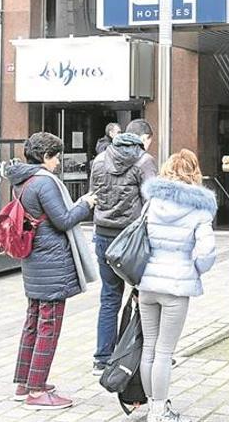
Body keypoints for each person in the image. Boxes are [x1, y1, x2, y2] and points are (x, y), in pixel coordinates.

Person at [6, 132, 97, 410]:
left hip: (34, 262)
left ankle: (25, 382)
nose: (58, 162)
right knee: (48, 327)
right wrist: (86, 204)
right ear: (45, 157)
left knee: (33, 321)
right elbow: (63, 220)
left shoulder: (21, 180)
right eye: (56, 156)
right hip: (52, 264)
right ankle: (36, 391)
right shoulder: (44, 183)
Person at [137, 149, 217, 422]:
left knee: (149, 346)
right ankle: (159, 411)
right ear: (194, 172)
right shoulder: (199, 208)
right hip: (176, 287)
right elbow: (206, 252)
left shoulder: (151, 202)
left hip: (147, 283)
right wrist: (193, 269)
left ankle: (151, 404)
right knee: (164, 351)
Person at [89, 119, 156, 375]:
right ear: (144, 138)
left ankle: (102, 358)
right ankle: (143, 355)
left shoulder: (100, 160)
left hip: (103, 235)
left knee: (109, 297)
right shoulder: (144, 161)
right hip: (133, 239)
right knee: (144, 296)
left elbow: (94, 195)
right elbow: (152, 200)